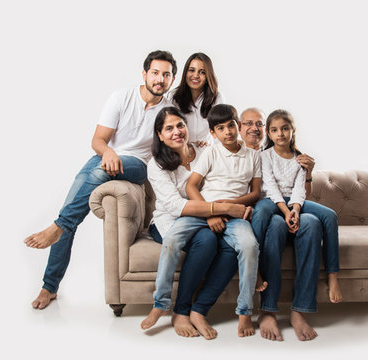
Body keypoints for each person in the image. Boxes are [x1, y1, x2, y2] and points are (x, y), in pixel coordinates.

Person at [24, 50, 177, 310]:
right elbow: (97, 140)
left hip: (137, 167)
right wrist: (107, 152)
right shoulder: (121, 97)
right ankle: (49, 287)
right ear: (144, 74)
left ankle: (58, 227)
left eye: (166, 74)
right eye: (155, 73)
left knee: (90, 181)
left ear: (172, 79)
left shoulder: (169, 110)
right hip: (105, 159)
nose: (160, 79)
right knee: (80, 189)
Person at [140, 107, 251, 339]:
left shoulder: (204, 152)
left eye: (180, 125)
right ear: (159, 135)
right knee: (207, 241)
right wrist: (216, 211)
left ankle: (199, 308)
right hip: (171, 221)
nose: (176, 132)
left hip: (208, 217)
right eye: (168, 128)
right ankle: (178, 311)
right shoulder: (157, 164)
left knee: (231, 248)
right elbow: (175, 206)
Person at [255, 109, 341, 341]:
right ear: (268, 133)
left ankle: (301, 308)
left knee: (321, 219)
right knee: (271, 222)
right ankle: (267, 306)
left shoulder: (301, 158)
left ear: (293, 131)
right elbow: (270, 187)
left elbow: (299, 190)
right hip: (272, 203)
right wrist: (285, 212)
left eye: (285, 128)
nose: (280, 133)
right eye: (274, 130)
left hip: (293, 204)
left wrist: (295, 210)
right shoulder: (265, 156)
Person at [184, 104, 265, 337]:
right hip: (207, 213)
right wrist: (211, 212)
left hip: (235, 216)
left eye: (231, 125)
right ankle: (171, 307)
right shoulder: (210, 152)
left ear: (238, 126)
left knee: (249, 246)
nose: (228, 132)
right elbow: (191, 186)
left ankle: (245, 311)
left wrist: (231, 205)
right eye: (221, 128)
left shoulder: (253, 155)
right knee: (173, 236)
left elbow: (256, 192)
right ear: (213, 133)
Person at [168, 53, 225, 147]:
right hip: (181, 150)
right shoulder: (173, 96)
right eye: (191, 70)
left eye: (202, 72)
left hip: (206, 151)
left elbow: (222, 132)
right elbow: (169, 129)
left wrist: (210, 146)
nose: (196, 75)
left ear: (207, 77)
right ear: (185, 72)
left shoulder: (217, 98)